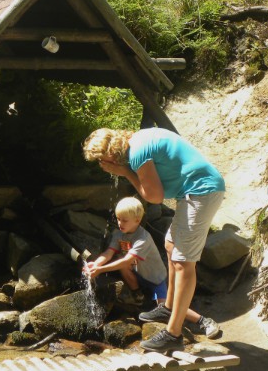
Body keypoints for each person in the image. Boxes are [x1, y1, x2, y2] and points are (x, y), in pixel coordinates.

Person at [83, 127, 225, 352]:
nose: (102, 164)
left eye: (101, 160)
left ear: (110, 153)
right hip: (190, 195)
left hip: (201, 192)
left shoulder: (138, 152)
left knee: (183, 262)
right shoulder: (137, 140)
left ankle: (173, 333)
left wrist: (125, 172)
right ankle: (168, 306)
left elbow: (155, 197)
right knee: (170, 244)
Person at [84, 197, 220, 340]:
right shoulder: (118, 233)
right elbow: (108, 253)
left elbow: (127, 260)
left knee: (168, 307)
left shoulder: (143, 238)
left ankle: (203, 321)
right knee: (120, 263)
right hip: (137, 274)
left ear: (137, 220)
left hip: (155, 280)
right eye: (118, 219)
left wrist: (100, 270)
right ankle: (138, 295)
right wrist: (96, 264)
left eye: (124, 220)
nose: (120, 223)